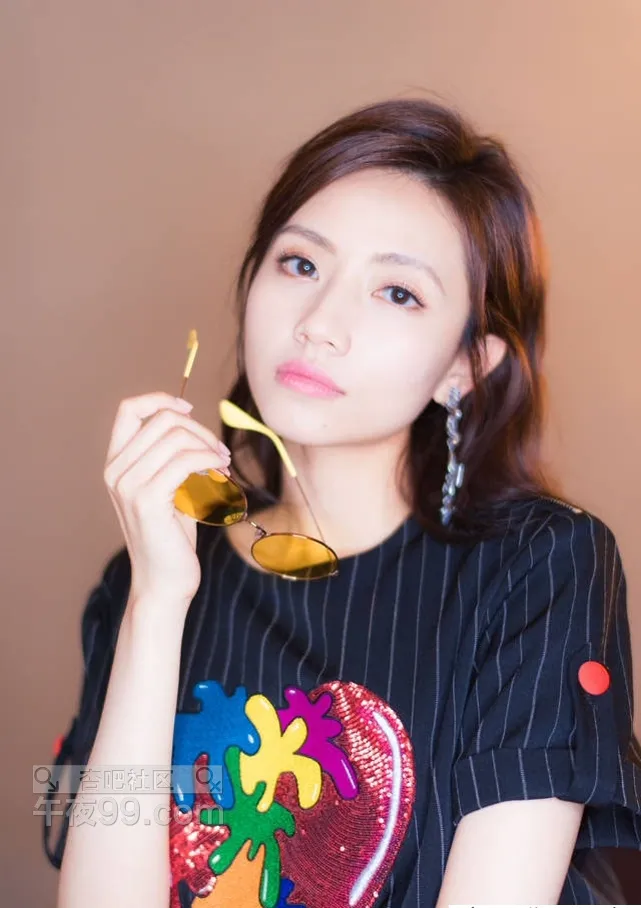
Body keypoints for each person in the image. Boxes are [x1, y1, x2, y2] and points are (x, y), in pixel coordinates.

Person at [43, 98, 641, 907]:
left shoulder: (538, 566)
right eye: (299, 264)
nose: (319, 323)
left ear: (464, 366)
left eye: (396, 292)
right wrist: (156, 601)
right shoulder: (147, 573)